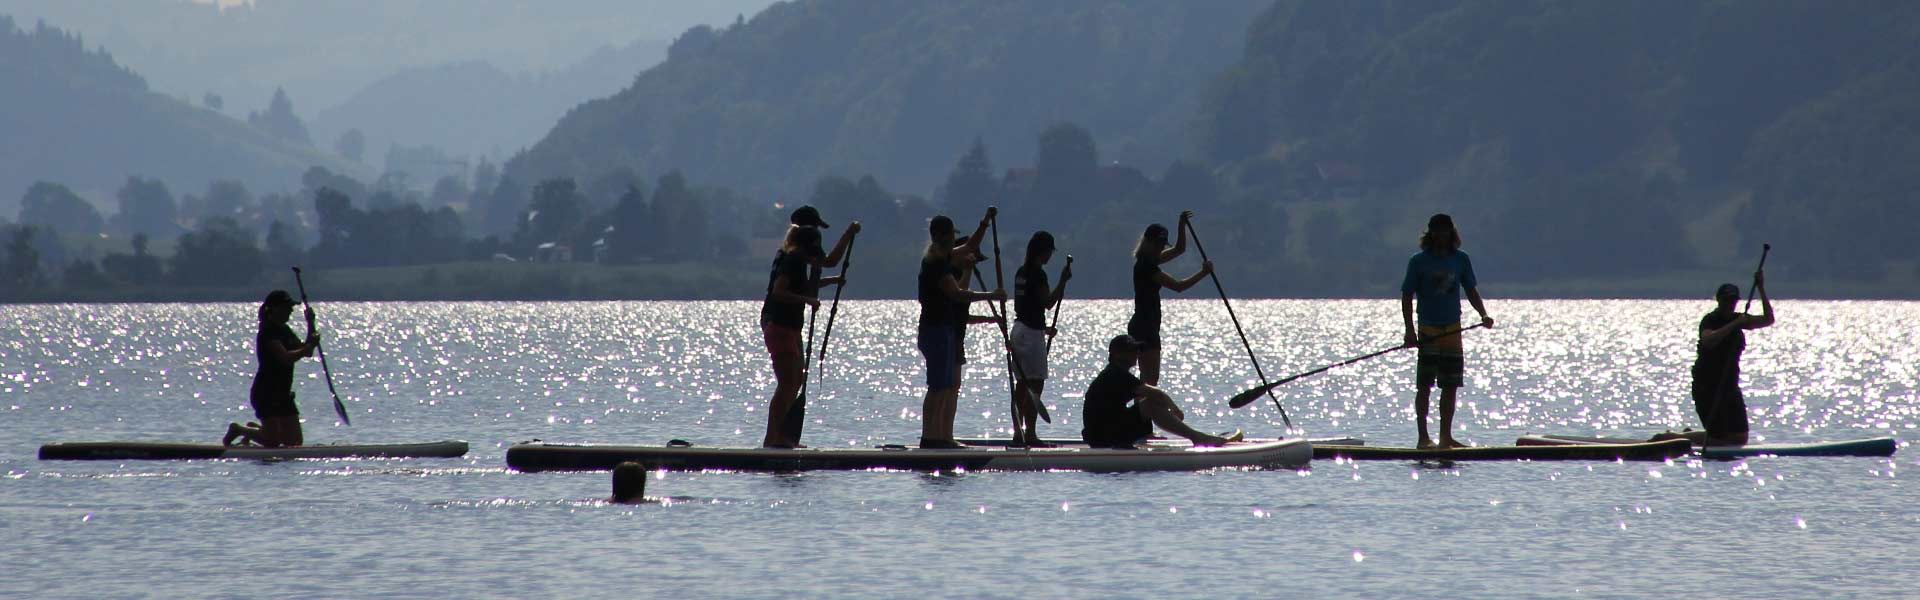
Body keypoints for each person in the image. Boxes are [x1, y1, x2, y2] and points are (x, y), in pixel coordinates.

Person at [1399, 213, 1493, 449]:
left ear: (1452, 232)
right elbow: (1407, 295)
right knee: (1425, 385)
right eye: (1437, 231)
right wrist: (1410, 331)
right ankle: (1423, 438)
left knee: (1450, 385)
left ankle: (1445, 438)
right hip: (1428, 328)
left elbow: (1471, 289)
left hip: (1453, 329)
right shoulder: (1418, 261)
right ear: (1430, 233)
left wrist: (1483, 314)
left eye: (1445, 230)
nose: (1441, 235)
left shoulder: (1461, 259)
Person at [917, 210, 1005, 449]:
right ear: (938, 235)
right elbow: (957, 294)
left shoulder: (944, 256)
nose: (950, 239)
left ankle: (943, 438)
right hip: (933, 330)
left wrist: (985, 221)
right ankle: (929, 438)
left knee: (946, 386)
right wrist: (991, 295)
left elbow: (971, 245)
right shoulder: (935, 263)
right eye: (948, 234)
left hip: (944, 329)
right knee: (937, 387)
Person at [759, 225, 843, 448]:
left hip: (789, 328)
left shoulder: (797, 260)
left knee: (796, 381)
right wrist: (807, 301)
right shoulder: (793, 260)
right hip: (780, 327)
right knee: (787, 384)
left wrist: (832, 281)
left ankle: (784, 437)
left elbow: (803, 286)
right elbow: (779, 291)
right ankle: (773, 439)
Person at [1081, 334, 1235, 449]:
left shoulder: (1115, 372)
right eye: (1131, 351)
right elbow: (1155, 394)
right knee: (1150, 404)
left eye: (1137, 350)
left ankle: (1196, 437)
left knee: (1149, 403)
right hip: (1103, 437)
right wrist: (1174, 408)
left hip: (1105, 432)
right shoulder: (1115, 374)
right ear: (1116, 355)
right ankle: (1197, 438)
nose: (1136, 354)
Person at [1675, 276, 1773, 445]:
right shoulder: (1710, 320)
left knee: (1739, 438)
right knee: (1719, 439)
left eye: (1733, 301)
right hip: (1708, 387)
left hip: (1729, 386)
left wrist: (1761, 289)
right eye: (1726, 300)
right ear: (1719, 300)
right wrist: (1735, 324)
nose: (1730, 304)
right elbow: (1709, 340)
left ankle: (1689, 435)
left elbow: (1768, 320)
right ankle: (1673, 439)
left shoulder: (1739, 318)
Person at [222, 290, 320, 447]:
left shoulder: (285, 330)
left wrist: (311, 323)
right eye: (287, 307)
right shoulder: (267, 332)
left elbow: (306, 352)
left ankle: (255, 430)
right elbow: (285, 357)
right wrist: (309, 346)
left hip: (283, 393)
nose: (291, 310)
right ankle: (239, 429)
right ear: (274, 309)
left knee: (294, 443)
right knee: (273, 442)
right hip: (266, 393)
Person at [1128, 211, 1212, 385]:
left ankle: (1143, 411)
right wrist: (1203, 273)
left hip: (1146, 325)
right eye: (1158, 244)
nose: (1161, 248)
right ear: (1148, 242)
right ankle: (1142, 411)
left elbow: (1180, 249)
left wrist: (1181, 224)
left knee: (1149, 380)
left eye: (1163, 244)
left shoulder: (1150, 259)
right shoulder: (1146, 266)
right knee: (1150, 381)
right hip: (1145, 326)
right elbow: (1178, 286)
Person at [1009, 231, 1070, 446]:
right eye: (1049, 252)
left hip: (1018, 330)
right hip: (1031, 334)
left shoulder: (1021, 272)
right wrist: (1062, 281)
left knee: (1021, 386)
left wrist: (1043, 330)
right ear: (1042, 252)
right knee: (1035, 385)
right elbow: (1048, 302)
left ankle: (1018, 433)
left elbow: (1027, 307)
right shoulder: (1038, 274)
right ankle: (1031, 435)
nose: (1050, 257)